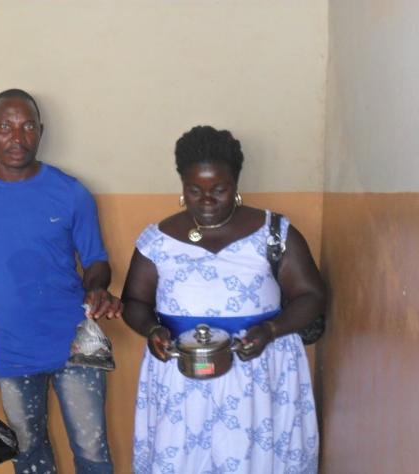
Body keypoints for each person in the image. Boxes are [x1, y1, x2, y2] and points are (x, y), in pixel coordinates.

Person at [0, 89, 121, 474]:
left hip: (77, 344)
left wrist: (96, 287)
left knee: (92, 452)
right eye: (6, 127)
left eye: (27, 127)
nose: (17, 138)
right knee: (29, 455)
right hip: (13, 352)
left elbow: (96, 261)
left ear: (41, 131)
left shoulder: (71, 193)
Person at [122, 125, 326, 473]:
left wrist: (271, 330)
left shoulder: (274, 234)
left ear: (235, 184)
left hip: (258, 371)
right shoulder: (158, 240)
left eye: (219, 189)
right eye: (194, 190)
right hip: (181, 376)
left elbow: (311, 296)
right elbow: (134, 302)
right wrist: (152, 330)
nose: (206, 200)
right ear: (182, 185)